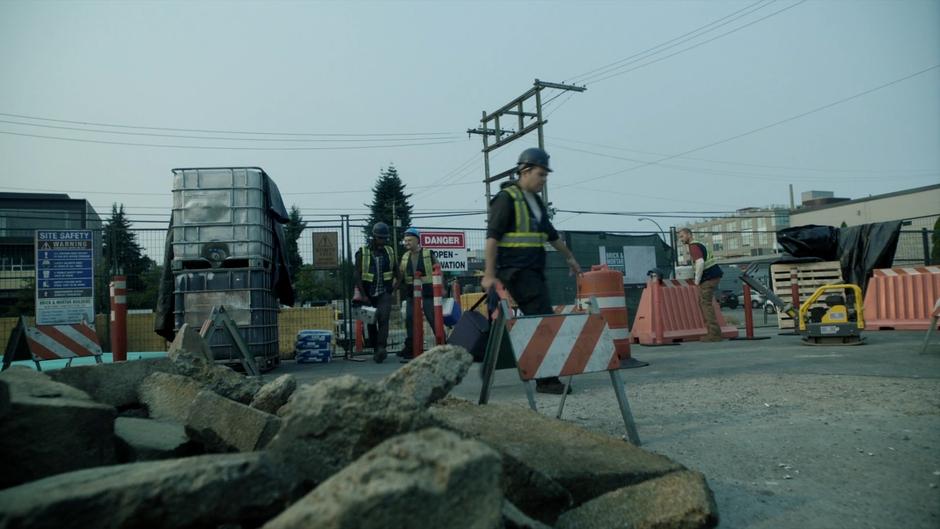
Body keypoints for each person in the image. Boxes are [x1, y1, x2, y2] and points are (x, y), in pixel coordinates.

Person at [482, 147, 582, 394]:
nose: (544, 180)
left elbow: (551, 235)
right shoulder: (507, 199)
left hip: (534, 271)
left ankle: (492, 368)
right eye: (540, 174)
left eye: (546, 175)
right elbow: (492, 238)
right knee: (542, 321)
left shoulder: (535, 202)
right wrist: (488, 273)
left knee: (539, 319)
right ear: (524, 171)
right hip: (516, 271)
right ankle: (547, 380)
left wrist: (569, 258)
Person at [354, 222, 400, 362]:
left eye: (385, 238)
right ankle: (375, 349)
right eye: (380, 238)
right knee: (371, 322)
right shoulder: (363, 252)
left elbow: (398, 273)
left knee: (384, 319)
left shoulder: (390, 251)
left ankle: (381, 348)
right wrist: (363, 295)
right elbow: (357, 274)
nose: (383, 241)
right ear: (373, 237)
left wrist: (393, 289)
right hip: (367, 294)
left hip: (384, 293)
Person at [397, 227, 438, 363]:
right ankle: (411, 348)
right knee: (410, 319)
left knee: (433, 318)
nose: (406, 242)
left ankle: (442, 345)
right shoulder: (405, 256)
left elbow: (438, 270)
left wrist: (441, 289)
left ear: (417, 240)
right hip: (411, 294)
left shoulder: (428, 254)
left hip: (428, 293)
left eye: (409, 240)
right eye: (405, 240)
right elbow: (401, 275)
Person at [678, 227, 724, 342]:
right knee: (704, 303)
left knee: (705, 304)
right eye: (680, 237)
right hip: (713, 276)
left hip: (708, 278)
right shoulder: (698, 244)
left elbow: (700, 262)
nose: (681, 239)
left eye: (682, 236)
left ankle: (714, 334)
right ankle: (714, 332)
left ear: (689, 234)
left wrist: (697, 280)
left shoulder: (693, 246)